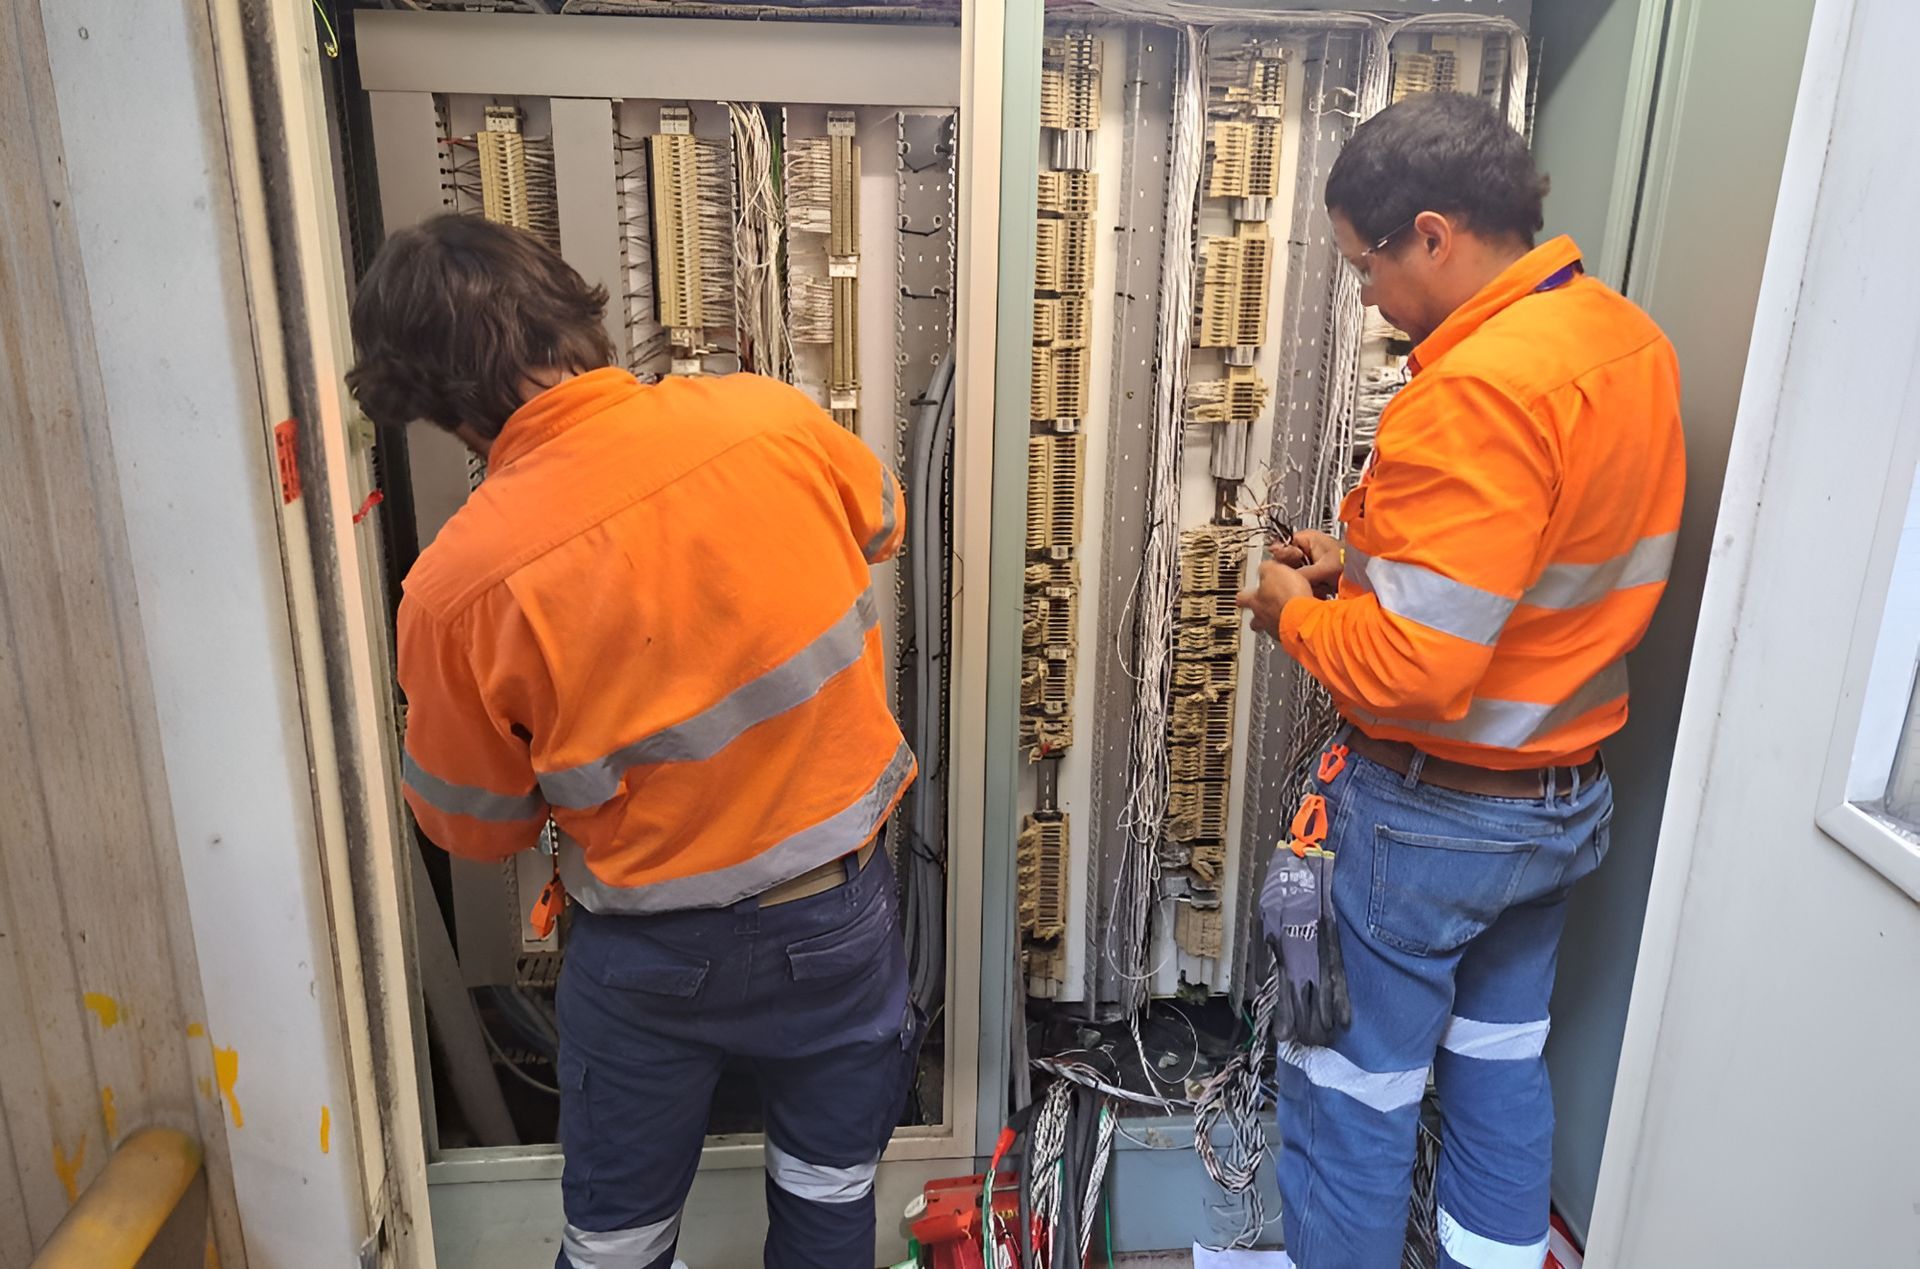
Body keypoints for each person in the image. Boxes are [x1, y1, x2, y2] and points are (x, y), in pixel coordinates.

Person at [347, 214, 920, 1269]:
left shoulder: (453, 590)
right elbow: (881, 518)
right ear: (567, 307)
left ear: (427, 401)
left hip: (654, 959)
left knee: (618, 1247)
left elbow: (473, 829)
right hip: (838, 917)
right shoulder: (769, 419)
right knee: (829, 1200)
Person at [1236, 93, 1683, 1269]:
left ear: (1433, 233)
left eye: (1366, 264)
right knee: (1496, 1064)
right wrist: (1364, 560)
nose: (1368, 295)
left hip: (1434, 817)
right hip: (1560, 802)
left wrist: (1295, 614)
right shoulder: (1620, 340)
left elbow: (1417, 673)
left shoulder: (1474, 392)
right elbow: (1533, 568)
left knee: (1351, 1096)